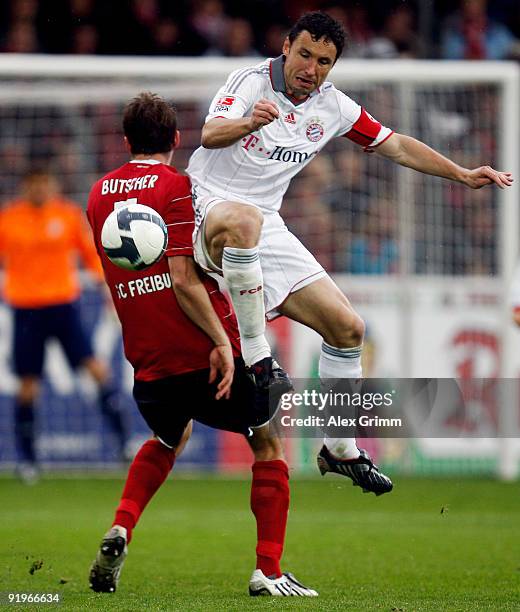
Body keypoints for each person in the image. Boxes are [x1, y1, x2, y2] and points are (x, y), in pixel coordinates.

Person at [186, 10, 513, 494]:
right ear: (286, 48)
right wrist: (245, 122)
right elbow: (209, 134)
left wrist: (461, 173)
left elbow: (396, 146)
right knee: (244, 220)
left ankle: (339, 447)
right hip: (207, 207)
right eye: (304, 54)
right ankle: (261, 362)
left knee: (347, 328)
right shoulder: (250, 83)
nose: (311, 68)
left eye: (324, 61)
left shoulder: (333, 107)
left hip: (263, 225)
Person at [86, 92, 317, 597]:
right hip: (203, 350)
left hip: (146, 359)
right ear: (175, 139)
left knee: (170, 438)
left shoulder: (98, 194)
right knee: (268, 443)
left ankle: (122, 526)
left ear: (125, 141)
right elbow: (184, 278)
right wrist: (220, 340)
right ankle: (269, 571)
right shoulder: (178, 187)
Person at [0, 170, 127, 483]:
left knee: (96, 369)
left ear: (53, 183)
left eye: (46, 181)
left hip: (63, 306)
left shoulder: (67, 216)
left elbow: (90, 256)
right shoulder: (9, 219)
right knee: (28, 384)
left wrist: (105, 287)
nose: (41, 186)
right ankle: (28, 460)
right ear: (26, 184)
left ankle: (124, 443)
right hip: (25, 309)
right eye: (35, 181)